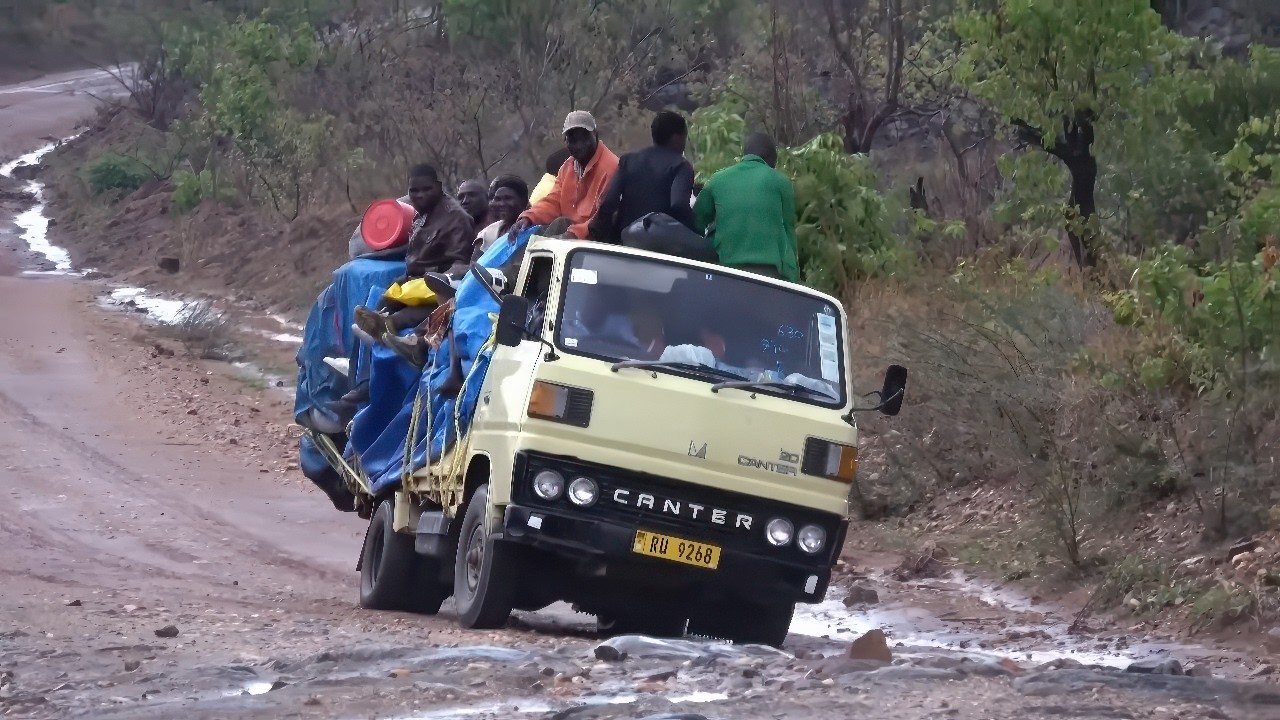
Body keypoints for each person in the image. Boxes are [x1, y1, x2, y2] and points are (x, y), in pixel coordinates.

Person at [693, 133, 799, 282]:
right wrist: (793, 279)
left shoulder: (717, 180)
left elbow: (696, 222)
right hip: (769, 275)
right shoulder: (781, 182)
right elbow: (789, 231)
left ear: (744, 154)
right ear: (772, 158)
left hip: (725, 271)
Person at [507, 110, 619, 243]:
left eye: (584, 138)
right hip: (569, 232)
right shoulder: (567, 167)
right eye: (572, 140)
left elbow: (603, 217)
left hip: (596, 239)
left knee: (559, 226)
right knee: (528, 232)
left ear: (595, 135)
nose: (579, 145)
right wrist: (528, 217)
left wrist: (573, 234)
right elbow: (553, 202)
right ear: (565, 141)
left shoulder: (611, 167)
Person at [587, 111, 695, 242]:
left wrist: (608, 235)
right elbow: (678, 205)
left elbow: (609, 201)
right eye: (684, 136)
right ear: (676, 137)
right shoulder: (681, 166)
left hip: (626, 240)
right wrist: (696, 231)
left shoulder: (629, 160)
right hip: (662, 245)